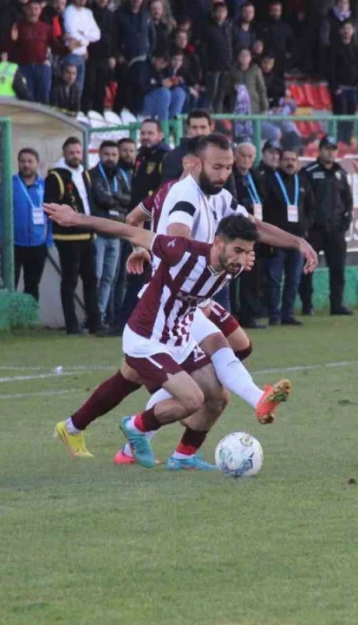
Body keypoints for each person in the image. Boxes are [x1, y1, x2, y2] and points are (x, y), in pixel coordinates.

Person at [54, 134, 316, 462]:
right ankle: (136, 433)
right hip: (159, 310)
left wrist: (296, 242)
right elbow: (142, 230)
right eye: (217, 166)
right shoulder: (183, 198)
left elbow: (252, 227)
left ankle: (158, 448)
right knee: (198, 385)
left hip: (186, 311)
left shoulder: (222, 204)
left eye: (228, 167)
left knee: (198, 385)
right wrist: (78, 219)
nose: (224, 174)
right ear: (193, 163)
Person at [45, 204, 291, 470]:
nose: (242, 259)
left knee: (218, 398)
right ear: (218, 243)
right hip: (146, 339)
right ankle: (135, 426)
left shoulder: (235, 265)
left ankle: (183, 456)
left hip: (180, 337)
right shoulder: (181, 251)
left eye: (247, 253)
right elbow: (128, 230)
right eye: (237, 251)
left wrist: (297, 244)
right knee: (192, 399)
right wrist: (76, 218)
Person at [45, 136, 101, 335]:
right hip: (68, 238)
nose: (75, 156)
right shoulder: (56, 176)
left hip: (88, 236)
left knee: (91, 279)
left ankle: (94, 322)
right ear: (64, 154)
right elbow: (48, 207)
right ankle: (72, 325)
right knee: (70, 281)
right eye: (71, 153)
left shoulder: (84, 174)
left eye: (78, 152)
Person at [300, 137, 352, 316]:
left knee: (338, 269)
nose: (330, 152)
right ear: (320, 150)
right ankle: (307, 305)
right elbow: (303, 200)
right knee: (308, 269)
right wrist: (307, 224)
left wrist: (345, 223)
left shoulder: (341, 173)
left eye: (334, 149)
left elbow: (348, 201)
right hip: (314, 231)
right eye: (327, 149)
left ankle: (337, 305)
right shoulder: (310, 172)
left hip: (336, 230)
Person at [0, 147, 50, 301]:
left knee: (32, 285)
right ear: (18, 163)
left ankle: (29, 320)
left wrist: (49, 240)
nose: (26, 165)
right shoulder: (9, 184)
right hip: (13, 244)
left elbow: (52, 214)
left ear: (37, 164)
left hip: (37, 244)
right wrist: (0, 237)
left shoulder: (45, 185)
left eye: (30, 161)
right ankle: (8, 320)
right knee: (9, 285)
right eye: (23, 161)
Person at [263, 147, 312, 326]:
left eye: (293, 159)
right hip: (277, 239)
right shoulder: (270, 181)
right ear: (280, 161)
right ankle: (274, 315)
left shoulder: (303, 181)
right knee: (274, 279)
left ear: (298, 162)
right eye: (286, 159)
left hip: (297, 240)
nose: (290, 162)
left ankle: (288, 314)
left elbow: (311, 207)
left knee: (294, 278)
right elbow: (266, 208)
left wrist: (305, 227)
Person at [89, 140, 130, 332]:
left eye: (114, 155)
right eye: (107, 154)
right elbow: (101, 199)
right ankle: (94, 317)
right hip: (99, 233)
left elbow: (129, 199)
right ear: (99, 155)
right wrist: (116, 199)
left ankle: (103, 317)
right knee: (96, 277)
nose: (111, 158)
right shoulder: (93, 175)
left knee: (109, 278)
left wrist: (113, 197)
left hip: (117, 233)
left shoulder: (121, 175)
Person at [229, 142, 267, 329]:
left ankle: (249, 315)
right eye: (243, 156)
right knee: (231, 275)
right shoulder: (231, 177)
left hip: (255, 232)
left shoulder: (256, 176)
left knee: (252, 274)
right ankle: (231, 314)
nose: (246, 160)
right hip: (235, 233)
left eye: (250, 156)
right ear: (235, 156)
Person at [162, 109, 213, 183]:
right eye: (194, 128)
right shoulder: (173, 157)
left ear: (210, 128)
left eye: (203, 127)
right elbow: (167, 188)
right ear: (188, 129)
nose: (199, 132)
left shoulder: (220, 155)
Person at [130, 119, 169, 205]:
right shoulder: (140, 155)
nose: (145, 137)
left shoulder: (166, 157)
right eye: (142, 133)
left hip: (154, 210)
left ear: (160, 135)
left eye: (150, 133)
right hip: (136, 209)